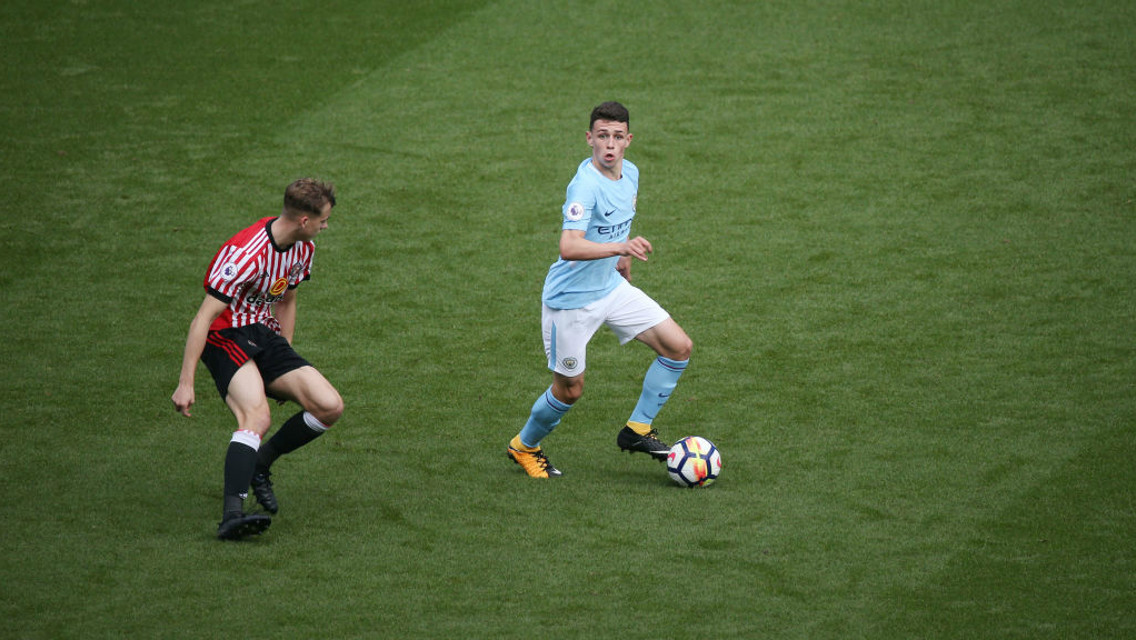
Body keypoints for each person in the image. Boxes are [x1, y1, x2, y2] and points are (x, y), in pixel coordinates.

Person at [508, 101, 693, 478]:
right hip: (570, 304)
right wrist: (620, 248)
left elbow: (618, 220)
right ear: (589, 139)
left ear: (628, 140)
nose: (610, 144)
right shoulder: (584, 186)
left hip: (609, 287)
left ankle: (637, 429)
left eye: (617, 137)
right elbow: (569, 246)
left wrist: (620, 259)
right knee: (570, 390)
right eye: (602, 136)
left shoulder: (631, 174)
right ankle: (524, 446)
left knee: (678, 347)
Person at [172, 178, 344, 540]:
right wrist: (186, 383)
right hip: (224, 335)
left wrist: (285, 357)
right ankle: (231, 515)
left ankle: (260, 463)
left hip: (264, 334)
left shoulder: (302, 249)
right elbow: (203, 318)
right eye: (323, 220)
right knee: (257, 416)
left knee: (329, 406)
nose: (326, 226)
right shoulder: (245, 254)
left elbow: (286, 300)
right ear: (303, 221)